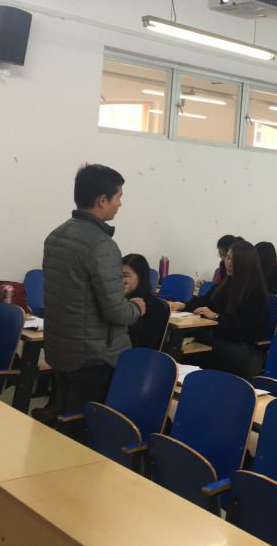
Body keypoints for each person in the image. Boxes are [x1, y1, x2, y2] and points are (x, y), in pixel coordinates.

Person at [41, 164, 145, 420]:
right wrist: (137, 308)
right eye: (118, 197)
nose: (120, 204)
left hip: (62, 350)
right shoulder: (101, 245)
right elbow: (116, 311)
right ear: (102, 200)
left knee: (64, 418)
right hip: (94, 357)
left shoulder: (56, 236)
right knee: (85, 427)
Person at [174, 240, 268, 379]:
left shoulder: (256, 293)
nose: (228, 263)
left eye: (234, 260)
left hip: (242, 349)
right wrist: (181, 305)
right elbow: (204, 302)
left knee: (190, 346)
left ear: (245, 264)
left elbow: (242, 330)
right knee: (182, 343)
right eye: (227, 257)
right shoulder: (227, 283)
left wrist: (216, 317)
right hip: (221, 339)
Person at [122, 254, 170, 350]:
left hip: (133, 355)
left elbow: (145, 345)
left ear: (141, 277)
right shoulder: (116, 301)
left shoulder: (155, 306)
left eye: (125, 276)